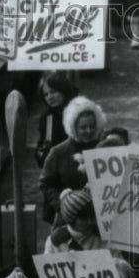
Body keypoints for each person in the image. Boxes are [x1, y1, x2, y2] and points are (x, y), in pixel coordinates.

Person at [39, 96, 106, 225]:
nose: (89, 131)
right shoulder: (58, 152)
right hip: (67, 220)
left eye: (92, 126)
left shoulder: (103, 147)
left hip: (98, 219)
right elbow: (45, 183)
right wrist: (63, 205)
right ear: (73, 127)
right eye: (83, 127)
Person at [35, 72, 80, 180]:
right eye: (46, 94)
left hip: (79, 167)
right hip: (57, 172)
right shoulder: (47, 117)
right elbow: (42, 143)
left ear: (63, 90)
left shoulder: (79, 110)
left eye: (53, 92)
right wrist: (41, 153)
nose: (49, 97)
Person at [45, 186, 105, 253]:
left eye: (92, 216)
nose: (90, 222)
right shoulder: (56, 240)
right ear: (71, 220)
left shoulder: (100, 236)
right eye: (84, 219)